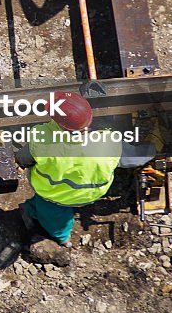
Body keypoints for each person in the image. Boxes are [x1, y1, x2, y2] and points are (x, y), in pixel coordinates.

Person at [19, 92, 121, 247]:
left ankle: (61, 237)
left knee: (54, 216)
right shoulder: (109, 141)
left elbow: (23, 159)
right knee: (48, 205)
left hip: (54, 194)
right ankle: (33, 209)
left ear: (61, 125)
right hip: (92, 193)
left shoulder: (42, 139)